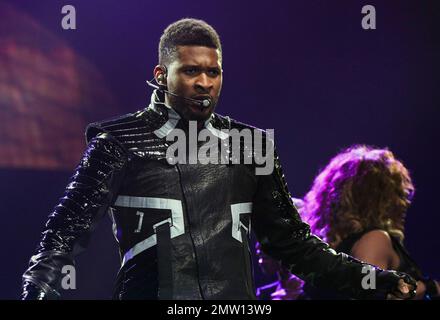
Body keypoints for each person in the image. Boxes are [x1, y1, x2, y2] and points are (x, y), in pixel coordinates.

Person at [21, 19, 416, 300]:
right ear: (161, 74)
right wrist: (38, 288)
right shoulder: (119, 141)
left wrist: (378, 281)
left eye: (214, 72)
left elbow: (294, 244)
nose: (204, 83)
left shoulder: (252, 145)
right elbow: (65, 229)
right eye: (191, 71)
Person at [299, 145, 439, 299]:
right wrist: (426, 288)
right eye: (397, 194)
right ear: (375, 199)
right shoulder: (374, 241)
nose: (404, 203)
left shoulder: (331, 253)